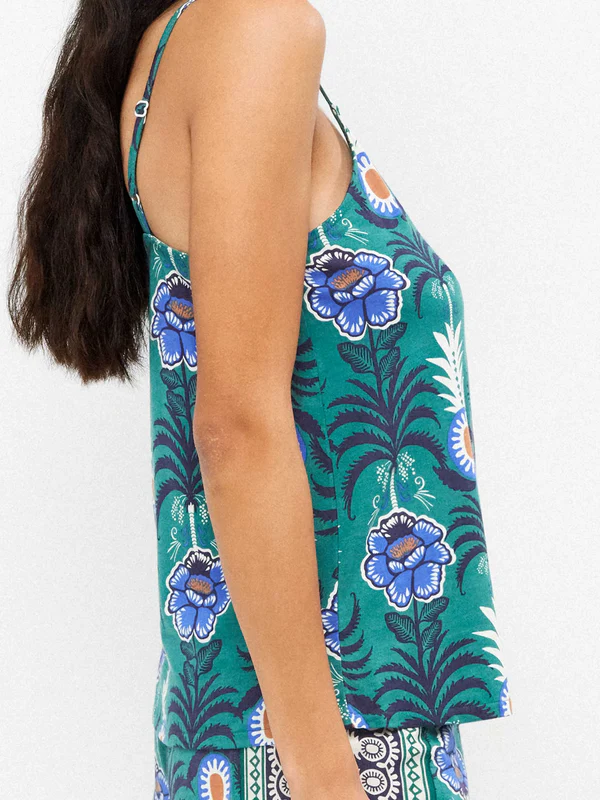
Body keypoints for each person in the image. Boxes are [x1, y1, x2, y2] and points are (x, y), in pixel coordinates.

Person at [8, 1, 512, 798]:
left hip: (261, 727)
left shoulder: (188, 42)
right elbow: (237, 428)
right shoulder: (255, 31)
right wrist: (324, 772)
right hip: (330, 737)